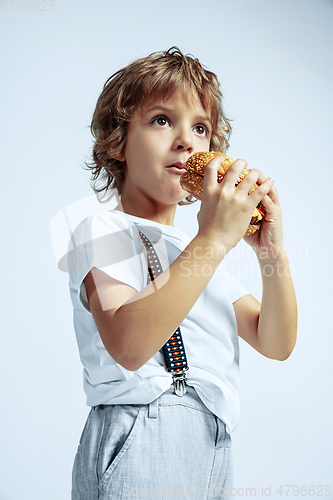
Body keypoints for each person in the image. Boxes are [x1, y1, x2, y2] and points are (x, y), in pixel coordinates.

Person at [67, 47, 297, 499]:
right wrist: (211, 240)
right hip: (142, 432)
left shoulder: (200, 259)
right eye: (161, 120)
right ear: (117, 141)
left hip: (213, 444)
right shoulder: (103, 230)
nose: (186, 141)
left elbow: (276, 342)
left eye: (200, 128)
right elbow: (129, 345)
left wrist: (272, 254)